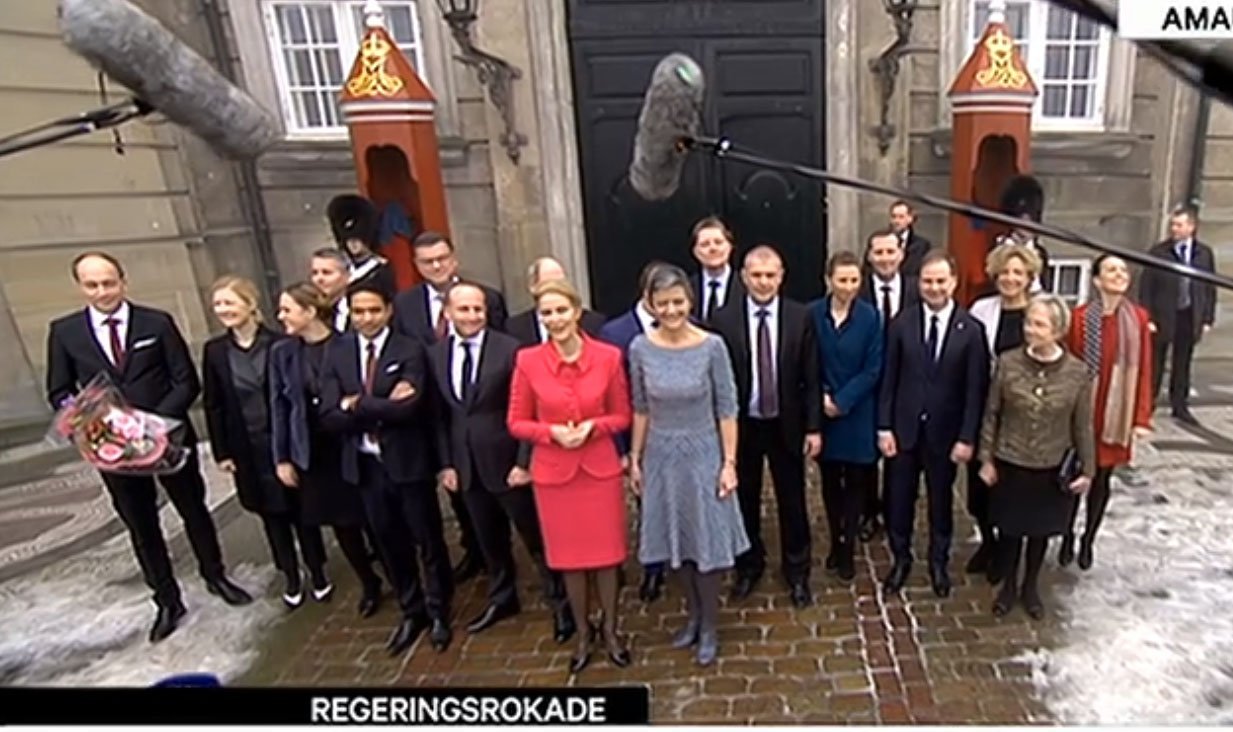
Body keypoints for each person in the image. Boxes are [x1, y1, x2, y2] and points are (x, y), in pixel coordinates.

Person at [45, 252, 252, 643]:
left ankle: (215, 575)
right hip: (112, 450)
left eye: (109, 282)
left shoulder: (156, 322)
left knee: (194, 510)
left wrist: (150, 427)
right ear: (80, 287)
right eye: (92, 285)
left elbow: (185, 381)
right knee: (141, 525)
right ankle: (167, 600)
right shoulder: (64, 332)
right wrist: (87, 420)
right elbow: (58, 391)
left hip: (167, 439)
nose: (102, 291)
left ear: (124, 281)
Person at [428, 281, 575, 643]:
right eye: (463, 309)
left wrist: (525, 462)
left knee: (535, 539)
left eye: (478, 309)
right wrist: (447, 464)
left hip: (509, 463)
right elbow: (440, 416)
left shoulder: (511, 351)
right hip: (467, 467)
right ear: (448, 313)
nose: (472, 316)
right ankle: (503, 597)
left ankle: (561, 604)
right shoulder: (435, 354)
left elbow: (530, 409)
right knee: (489, 539)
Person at [320, 280, 454, 655]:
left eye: (374, 310)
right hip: (366, 466)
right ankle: (412, 610)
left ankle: (439, 609)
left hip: (409, 463)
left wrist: (356, 404)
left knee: (427, 539)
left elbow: (409, 409)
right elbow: (328, 414)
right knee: (389, 541)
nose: (367, 318)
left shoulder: (410, 350)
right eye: (359, 311)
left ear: (388, 310)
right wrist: (376, 404)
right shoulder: (338, 351)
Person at [507, 278, 632, 675]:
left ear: (577, 312)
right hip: (554, 473)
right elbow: (516, 421)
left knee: (607, 556)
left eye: (562, 310)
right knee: (571, 560)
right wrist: (552, 433)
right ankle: (583, 632)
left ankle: (611, 629)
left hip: (597, 469)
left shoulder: (608, 357)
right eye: (547, 312)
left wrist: (593, 427)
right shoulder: (527, 360)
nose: (555, 319)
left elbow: (622, 415)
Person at [627, 265, 748, 666]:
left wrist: (729, 463)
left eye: (678, 302)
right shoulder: (640, 348)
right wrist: (635, 458)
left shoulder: (712, 346)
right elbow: (641, 408)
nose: (672, 310)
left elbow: (727, 408)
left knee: (706, 543)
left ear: (689, 302)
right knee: (673, 539)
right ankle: (692, 616)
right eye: (663, 304)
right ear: (651, 305)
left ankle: (711, 624)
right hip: (662, 455)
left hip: (703, 454)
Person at [203, 276, 329, 609]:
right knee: (270, 514)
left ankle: (317, 569)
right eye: (218, 304)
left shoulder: (279, 343)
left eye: (230, 302)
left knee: (302, 509)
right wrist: (222, 451)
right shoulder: (214, 351)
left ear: (249, 304)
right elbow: (214, 403)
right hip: (248, 447)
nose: (223, 310)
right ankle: (289, 573)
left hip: (283, 441)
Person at [393, 230, 507, 582]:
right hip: (434, 413)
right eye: (428, 261)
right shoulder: (404, 305)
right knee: (459, 490)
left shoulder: (486, 297)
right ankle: (473, 551)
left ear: (454, 259)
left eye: (443, 258)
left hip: (484, 413)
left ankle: (499, 557)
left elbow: (501, 353)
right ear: (417, 265)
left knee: (493, 498)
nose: (437, 266)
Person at [711, 246, 822, 606]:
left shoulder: (799, 316)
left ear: (781, 276)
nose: (763, 282)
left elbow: (811, 375)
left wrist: (814, 428)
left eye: (770, 275)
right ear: (743, 277)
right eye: (756, 275)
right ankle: (748, 565)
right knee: (745, 499)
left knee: (793, 501)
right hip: (743, 426)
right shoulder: (724, 319)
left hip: (785, 423)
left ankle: (798, 571)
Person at [270, 282, 385, 618]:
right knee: (341, 523)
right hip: (314, 452)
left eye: (287, 309)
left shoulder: (347, 345)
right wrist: (282, 457)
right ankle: (368, 582)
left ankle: (398, 574)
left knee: (373, 517)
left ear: (309, 311)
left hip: (351, 445)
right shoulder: (283, 353)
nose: (281, 316)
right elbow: (279, 406)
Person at [878, 250, 989, 597]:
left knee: (941, 502)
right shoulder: (901, 323)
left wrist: (967, 437)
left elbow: (976, 391)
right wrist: (884, 427)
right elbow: (888, 380)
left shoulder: (971, 331)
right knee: (899, 500)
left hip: (945, 435)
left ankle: (938, 562)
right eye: (928, 281)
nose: (934, 287)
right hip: (904, 431)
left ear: (953, 283)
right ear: (919, 283)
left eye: (941, 281)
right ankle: (900, 559)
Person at [978, 295, 1096, 619]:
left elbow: (1083, 424)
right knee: (1011, 530)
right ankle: (1009, 587)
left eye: (1039, 324)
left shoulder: (1077, 373)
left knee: (1039, 532)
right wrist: (986, 458)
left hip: (1050, 465)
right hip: (1012, 460)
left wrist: (1088, 469)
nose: (1031, 329)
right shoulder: (1007, 362)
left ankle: (1031, 586)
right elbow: (992, 413)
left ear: (1058, 330)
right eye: (1029, 322)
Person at [1062, 255, 1155, 570]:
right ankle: (1066, 535)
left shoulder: (1138, 319)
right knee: (1074, 477)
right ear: (1098, 280)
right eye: (1111, 270)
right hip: (1083, 409)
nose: (1119, 274)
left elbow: (1143, 370)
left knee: (1101, 480)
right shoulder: (1079, 318)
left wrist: (1141, 418)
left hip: (1116, 414)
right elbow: (1068, 367)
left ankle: (1088, 538)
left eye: (1123, 270)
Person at [966, 242, 1042, 581]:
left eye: (1018, 273)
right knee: (979, 484)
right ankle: (987, 541)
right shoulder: (981, 309)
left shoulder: (1039, 312)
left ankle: (1008, 552)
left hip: (1022, 415)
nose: (1010, 279)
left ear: (1029, 278)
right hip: (984, 407)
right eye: (1005, 272)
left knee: (1010, 486)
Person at [598, 259, 671, 603]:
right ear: (646, 295)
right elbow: (610, 395)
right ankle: (654, 567)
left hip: (681, 429)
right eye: (661, 299)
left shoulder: (693, 327)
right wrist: (623, 449)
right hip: (638, 435)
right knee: (649, 505)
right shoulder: (615, 334)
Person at [811, 251, 883, 582]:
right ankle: (835, 536)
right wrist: (824, 396)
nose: (848, 286)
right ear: (829, 279)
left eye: (855, 280)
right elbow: (808, 362)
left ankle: (848, 543)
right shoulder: (813, 315)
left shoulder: (870, 317)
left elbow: (873, 368)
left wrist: (842, 400)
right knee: (829, 482)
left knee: (855, 482)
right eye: (842, 280)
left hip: (857, 413)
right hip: (823, 410)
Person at [859, 229, 920, 541]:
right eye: (878, 252)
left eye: (890, 252)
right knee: (869, 454)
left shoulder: (916, 291)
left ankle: (896, 509)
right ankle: (869, 511)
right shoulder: (858, 291)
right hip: (868, 386)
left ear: (901, 254)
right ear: (869, 256)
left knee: (900, 454)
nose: (884, 258)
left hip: (905, 385)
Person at [1139, 205, 1217, 427]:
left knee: (1182, 363)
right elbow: (1147, 286)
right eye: (1173, 224)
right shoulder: (1159, 252)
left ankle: (1180, 405)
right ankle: (1148, 405)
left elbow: (1209, 286)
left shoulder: (1203, 253)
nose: (1174, 229)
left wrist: (1207, 318)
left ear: (1191, 227)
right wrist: (1148, 318)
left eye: (1179, 225)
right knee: (1156, 362)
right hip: (1164, 313)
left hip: (1189, 313)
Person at [506, 256, 605, 345]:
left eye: (561, 282)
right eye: (549, 283)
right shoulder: (514, 328)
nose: (556, 288)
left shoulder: (594, 323)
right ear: (533, 287)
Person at [327, 194, 397, 296]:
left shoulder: (381, 270)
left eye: (357, 240)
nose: (353, 245)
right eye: (349, 240)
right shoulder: (342, 269)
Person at [992, 176, 1052, 293]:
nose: (1027, 226)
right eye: (1022, 221)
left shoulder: (1040, 252)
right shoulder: (999, 249)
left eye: (1031, 221)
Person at [689, 216, 747, 323]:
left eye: (718, 242)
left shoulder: (746, 285)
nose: (713, 248)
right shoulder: (687, 287)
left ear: (730, 247)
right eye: (705, 244)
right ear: (695, 252)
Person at [309, 248, 353, 333]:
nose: (319, 279)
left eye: (326, 272)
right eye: (314, 273)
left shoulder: (358, 308)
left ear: (347, 276)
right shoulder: (308, 312)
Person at [888, 200, 931, 277]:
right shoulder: (880, 242)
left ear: (910, 218)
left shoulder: (922, 246)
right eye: (894, 216)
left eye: (901, 217)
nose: (896, 221)